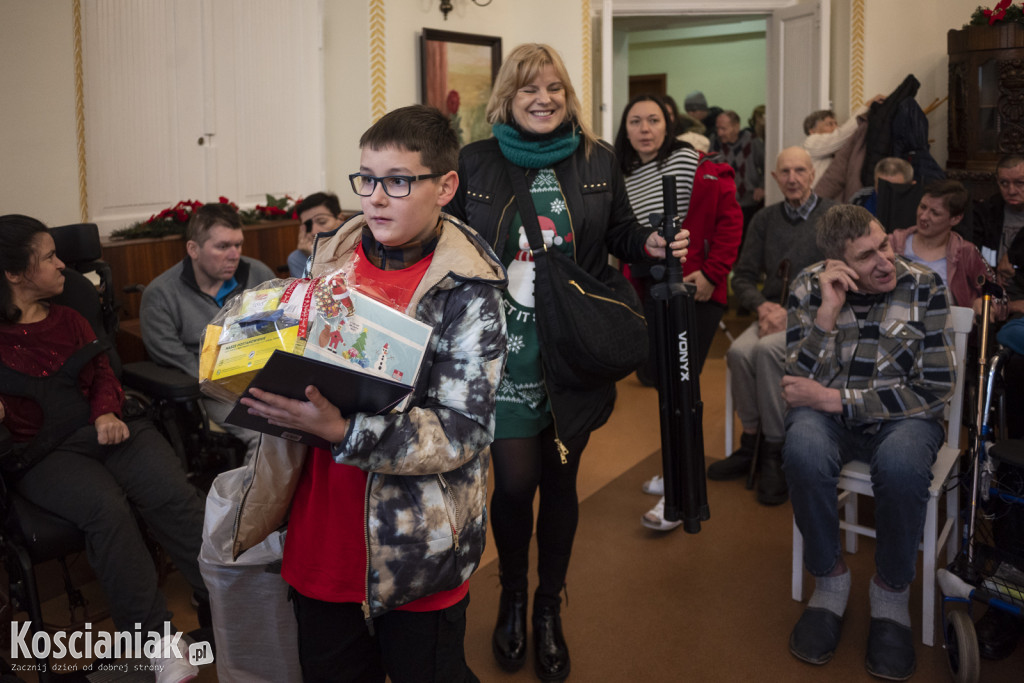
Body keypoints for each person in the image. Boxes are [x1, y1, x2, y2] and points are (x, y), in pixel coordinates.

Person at [235, 105, 508, 683]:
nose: (376, 198)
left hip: (417, 550)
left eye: (398, 181)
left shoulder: (470, 291)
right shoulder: (329, 256)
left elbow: (464, 429)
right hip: (321, 539)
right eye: (366, 178)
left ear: (446, 186)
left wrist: (343, 431)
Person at [445, 43, 690, 681]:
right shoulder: (473, 162)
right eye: (529, 88)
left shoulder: (597, 159)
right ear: (507, 96)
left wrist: (651, 240)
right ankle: (513, 593)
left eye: (554, 86)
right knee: (516, 483)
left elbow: (619, 237)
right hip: (502, 356)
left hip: (571, 351)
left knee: (560, 483)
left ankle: (548, 607)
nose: (544, 98)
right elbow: (445, 242)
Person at [0, 214, 209, 683]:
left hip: (106, 428)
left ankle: (225, 601)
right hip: (44, 454)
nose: (62, 267)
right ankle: (157, 642)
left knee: (170, 492)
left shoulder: (71, 317)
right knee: (106, 511)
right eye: (49, 257)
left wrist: (106, 411)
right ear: (14, 274)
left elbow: (103, 376)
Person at [782, 204, 957, 680]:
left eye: (884, 244)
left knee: (901, 465)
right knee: (802, 447)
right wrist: (827, 313)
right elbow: (797, 385)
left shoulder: (924, 285)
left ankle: (890, 595)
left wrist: (836, 399)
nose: (885, 261)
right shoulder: (808, 286)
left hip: (905, 421)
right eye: (867, 256)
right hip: (831, 420)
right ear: (838, 265)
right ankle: (830, 582)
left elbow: (935, 388)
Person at [612, 93, 742, 530]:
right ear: (625, 128)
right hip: (652, 293)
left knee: (683, 392)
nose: (645, 129)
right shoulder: (620, 173)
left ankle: (681, 494)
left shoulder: (689, 162)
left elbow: (728, 219)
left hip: (696, 292)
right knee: (665, 387)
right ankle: (675, 473)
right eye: (635, 121)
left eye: (653, 120)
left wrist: (711, 273)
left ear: (668, 124)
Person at [715, 147, 835, 505]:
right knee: (737, 352)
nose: (793, 178)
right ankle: (750, 440)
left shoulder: (833, 216)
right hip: (772, 313)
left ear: (812, 174)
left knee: (767, 351)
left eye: (800, 170)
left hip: (816, 319)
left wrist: (792, 311)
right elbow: (744, 277)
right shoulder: (765, 219)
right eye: (785, 172)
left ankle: (775, 449)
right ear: (774, 178)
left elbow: (843, 278)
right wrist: (762, 305)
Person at [139, 202, 275, 460]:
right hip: (210, 390)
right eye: (223, 246)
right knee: (267, 435)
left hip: (263, 376)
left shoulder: (258, 273)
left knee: (308, 422)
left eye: (238, 245)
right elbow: (174, 358)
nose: (234, 254)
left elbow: (280, 331)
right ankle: (249, 501)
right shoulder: (160, 294)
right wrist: (231, 383)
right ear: (193, 249)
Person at [890, 180, 1005, 319]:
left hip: (946, 328)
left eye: (935, 213)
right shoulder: (891, 244)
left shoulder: (966, 252)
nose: (923, 216)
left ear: (955, 219)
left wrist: (986, 303)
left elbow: (1000, 297)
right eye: (922, 206)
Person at [802, 96, 884, 182]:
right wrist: (866, 107)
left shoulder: (833, 149)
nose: (836, 127)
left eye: (836, 123)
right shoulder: (811, 142)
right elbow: (841, 135)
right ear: (812, 131)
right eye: (829, 124)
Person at [714, 109, 765, 236]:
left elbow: (767, 165)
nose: (720, 133)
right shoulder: (715, 143)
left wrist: (762, 187)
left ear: (736, 127)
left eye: (723, 129)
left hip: (749, 204)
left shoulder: (753, 141)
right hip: (724, 205)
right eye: (718, 128)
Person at [288, 192, 345, 277]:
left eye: (322, 221)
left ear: (340, 219)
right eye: (308, 226)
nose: (314, 232)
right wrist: (313, 259)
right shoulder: (298, 258)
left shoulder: (358, 248)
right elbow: (318, 289)